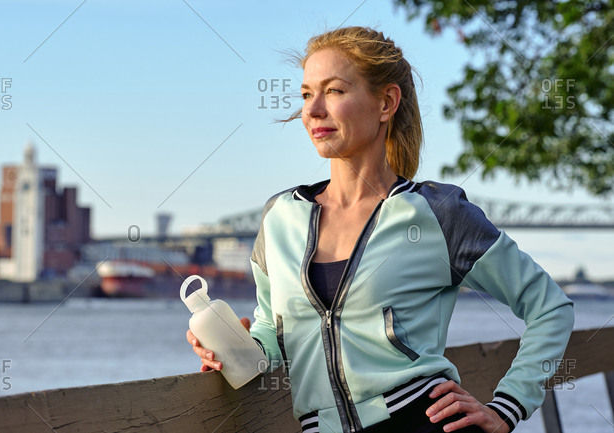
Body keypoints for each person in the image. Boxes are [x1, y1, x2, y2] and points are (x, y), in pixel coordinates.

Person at [187, 26, 574, 433]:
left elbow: (550, 307)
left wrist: (508, 406)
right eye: (306, 94)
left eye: (334, 91)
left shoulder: (438, 213)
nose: (313, 110)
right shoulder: (279, 218)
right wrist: (233, 346)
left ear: (386, 102)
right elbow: (273, 332)